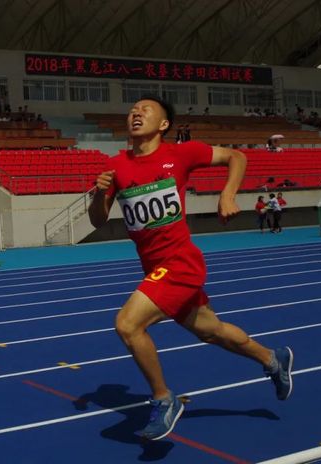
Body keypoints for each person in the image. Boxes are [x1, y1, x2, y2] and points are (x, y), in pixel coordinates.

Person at [88, 96, 293, 441]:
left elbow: (237, 156)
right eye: (133, 110)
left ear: (164, 124)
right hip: (154, 268)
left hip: (180, 262)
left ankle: (163, 399)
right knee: (211, 330)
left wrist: (227, 195)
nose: (136, 113)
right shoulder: (116, 165)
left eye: (145, 110)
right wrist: (99, 194)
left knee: (127, 324)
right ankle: (273, 359)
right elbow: (97, 220)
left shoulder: (181, 154)